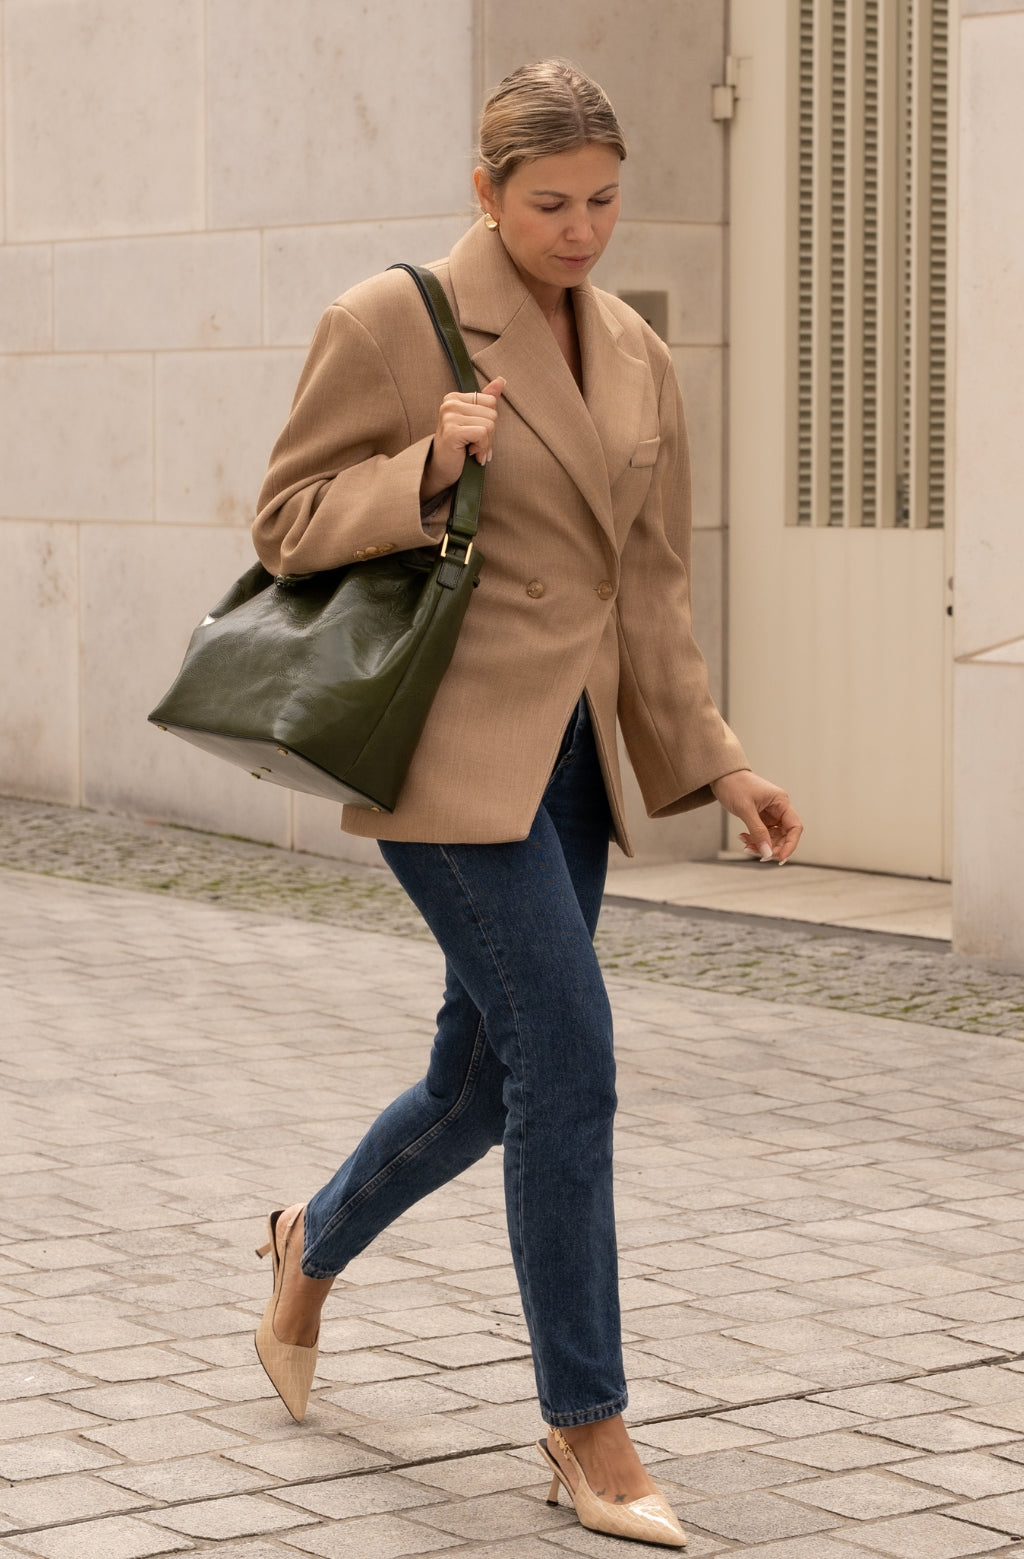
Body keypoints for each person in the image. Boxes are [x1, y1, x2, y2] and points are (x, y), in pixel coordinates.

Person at [249, 59, 802, 1550]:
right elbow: (286, 522)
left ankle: (309, 1243)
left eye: (605, 200)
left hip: (568, 772)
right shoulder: (392, 319)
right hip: (444, 752)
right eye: (550, 202)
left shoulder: (636, 350)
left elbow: (651, 587)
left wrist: (720, 760)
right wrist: (430, 460)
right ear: (485, 191)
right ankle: (587, 1425)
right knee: (571, 1063)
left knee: (485, 1084)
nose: (582, 229)